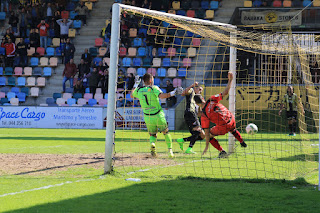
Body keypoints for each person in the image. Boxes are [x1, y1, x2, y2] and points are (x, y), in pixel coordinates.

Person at [194, 72, 247, 158]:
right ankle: (241, 141)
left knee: (210, 135)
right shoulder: (212, 99)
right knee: (232, 129)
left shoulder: (204, 115)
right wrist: (230, 80)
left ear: (196, 103)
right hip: (232, 119)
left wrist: (207, 146)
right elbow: (225, 92)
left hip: (224, 126)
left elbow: (206, 133)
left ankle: (222, 151)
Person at [131, 73, 183, 157]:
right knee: (166, 132)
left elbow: (131, 94)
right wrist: (174, 92)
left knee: (152, 134)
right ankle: (170, 151)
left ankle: (152, 144)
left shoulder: (139, 90)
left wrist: (136, 84)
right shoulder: (154, 88)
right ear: (151, 80)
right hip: (158, 115)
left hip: (147, 117)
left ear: (143, 81)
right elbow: (162, 96)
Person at [176, 82, 205, 154]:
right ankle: (189, 149)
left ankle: (182, 140)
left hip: (192, 114)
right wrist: (192, 85)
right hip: (190, 113)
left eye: (201, 90)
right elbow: (183, 93)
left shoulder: (197, 99)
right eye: (199, 89)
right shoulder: (191, 91)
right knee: (197, 131)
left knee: (202, 135)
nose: (200, 90)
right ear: (195, 87)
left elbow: (198, 113)